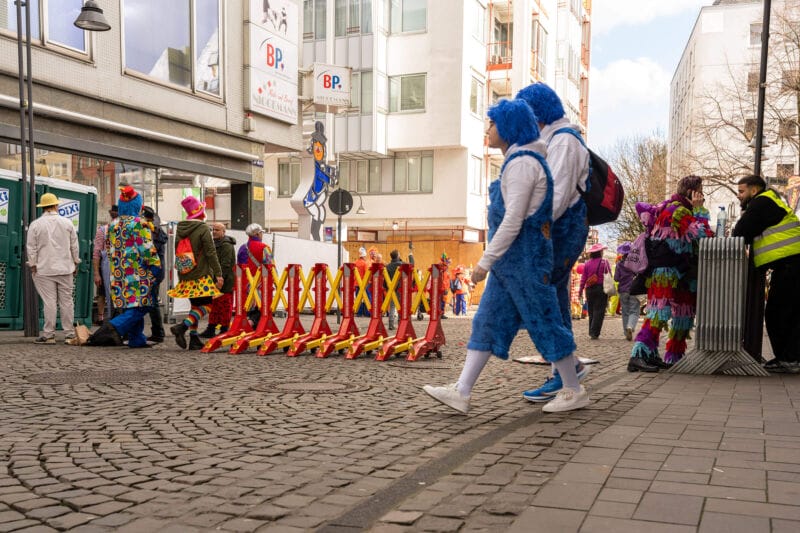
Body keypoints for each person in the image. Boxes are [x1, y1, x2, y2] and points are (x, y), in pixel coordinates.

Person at [423, 98, 586, 414]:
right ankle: (462, 390)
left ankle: (573, 388)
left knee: (545, 322)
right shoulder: (521, 161)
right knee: (487, 322)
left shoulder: (523, 164)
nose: (488, 129)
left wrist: (485, 261)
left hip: (525, 261)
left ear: (509, 126)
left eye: (493, 123)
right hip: (512, 264)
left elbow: (514, 219)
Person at [516, 82, 592, 402]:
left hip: (561, 229)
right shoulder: (557, 140)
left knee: (546, 298)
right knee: (552, 298)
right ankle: (566, 369)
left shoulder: (563, 142)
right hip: (561, 229)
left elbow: (556, 196)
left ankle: (567, 375)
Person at [628, 175, 712, 372]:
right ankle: (638, 355)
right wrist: (700, 211)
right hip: (665, 270)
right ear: (693, 192)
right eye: (701, 191)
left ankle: (673, 357)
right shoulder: (676, 210)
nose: (703, 196)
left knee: (684, 313)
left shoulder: (683, 210)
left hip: (682, 271)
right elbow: (702, 234)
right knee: (659, 312)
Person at [732, 175, 800, 373]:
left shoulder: (761, 202)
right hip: (791, 263)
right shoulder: (770, 200)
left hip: (791, 264)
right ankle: (789, 358)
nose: (739, 196)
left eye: (742, 191)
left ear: (754, 190)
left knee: (778, 313)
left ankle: (790, 359)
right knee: (788, 313)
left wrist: (745, 213)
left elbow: (740, 232)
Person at [88, 187, 160, 348]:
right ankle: (112, 327)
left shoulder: (113, 225)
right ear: (138, 205)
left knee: (131, 304)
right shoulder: (139, 224)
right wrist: (155, 266)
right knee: (144, 304)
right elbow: (146, 249)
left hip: (119, 273)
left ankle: (137, 339)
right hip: (137, 272)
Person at [168, 196, 223, 350]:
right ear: (201, 212)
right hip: (201, 274)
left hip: (186, 272)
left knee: (195, 306)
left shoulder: (181, 228)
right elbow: (211, 252)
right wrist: (218, 274)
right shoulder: (203, 228)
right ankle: (183, 327)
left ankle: (193, 339)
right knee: (208, 305)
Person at [26, 192, 81, 345]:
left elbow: (31, 248)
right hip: (65, 268)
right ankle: (69, 334)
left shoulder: (35, 224)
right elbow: (74, 246)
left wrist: (33, 264)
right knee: (67, 301)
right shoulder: (67, 223)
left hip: (44, 269)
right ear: (56, 205)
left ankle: (49, 335)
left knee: (49, 302)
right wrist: (75, 262)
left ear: (43, 207)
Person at [201, 223, 236, 338]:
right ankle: (211, 328)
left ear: (223, 232)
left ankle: (224, 329)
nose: (214, 232)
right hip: (214, 280)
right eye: (213, 229)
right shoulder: (214, 243)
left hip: (224, 282)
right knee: (214, 306)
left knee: (225, 306)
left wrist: (220, 280)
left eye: (217, 230)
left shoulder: (226, 245)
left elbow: (225, 265)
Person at [237, 223, 273, 327]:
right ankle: (252, 325)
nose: (262, 235)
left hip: (245, 285)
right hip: (260, 285)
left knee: (249, 308)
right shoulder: (264, 247)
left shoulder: (242, 248)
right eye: (261, 233)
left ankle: (247, 327)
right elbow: (270, 267)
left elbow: (239, 267)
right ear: (257, 234)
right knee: (262, 309)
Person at [141, 205, 167, 342]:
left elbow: (149, 253)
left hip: (153, 271)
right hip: (157, 271)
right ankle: (158, 332)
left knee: (152, 301)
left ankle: (158, 332)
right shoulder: (157, 231)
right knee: (152, 301)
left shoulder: (153, 232)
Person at [92, 204, 117, 324]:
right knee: (106, 294)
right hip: (107, 269)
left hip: (109, 269)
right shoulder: (104, 230)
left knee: (109, 296)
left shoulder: (103, 230)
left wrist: (96, 273)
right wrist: (97, 273)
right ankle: (106, 319)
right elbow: (96, 253)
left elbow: (96, 253)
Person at [580, 243, 610, 340]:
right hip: (601, 288)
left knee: (591, 311)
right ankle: (594, 332)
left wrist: (580, 290)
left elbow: (583, 278)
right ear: (600, 252)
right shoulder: (604, 262)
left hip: (589, 289)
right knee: (599, 311)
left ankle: (591, 331)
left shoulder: (587, 264)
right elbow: (609, 275)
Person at [385, 243, 415, 330]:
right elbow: (411, 265)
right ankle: (399, 322)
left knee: (392, 306)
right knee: (401, 306)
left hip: (391, 288)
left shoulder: (388, 266)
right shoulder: (401, 264)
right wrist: (410, 255)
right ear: (398, 255)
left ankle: (391, 324)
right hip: (401, 288)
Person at [614, 242, 640, 341]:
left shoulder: (619, 264)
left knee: (625, 312)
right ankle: (631, 326)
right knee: (634, 310)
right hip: (634, 289)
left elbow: (616, 278)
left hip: (623, 290)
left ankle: (626, 333)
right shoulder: (635, 262)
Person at [354, 247, 370, 317]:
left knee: (358, 299)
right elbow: (367, 274)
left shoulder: (355, 263)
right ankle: (367, 313)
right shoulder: (365, 264)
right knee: (367, 298)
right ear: (364, 256)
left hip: (357, 283)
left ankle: (359, 313)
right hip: (364, 284)